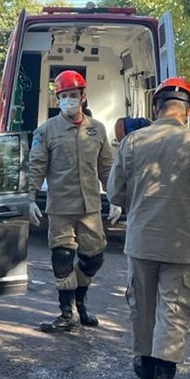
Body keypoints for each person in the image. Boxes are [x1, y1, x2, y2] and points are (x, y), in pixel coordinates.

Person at [106, 76, 190, 379]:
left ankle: (145, 372)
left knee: (142, 312)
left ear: (155, 107)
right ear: (188, 110)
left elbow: (115, 194)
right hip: (181, 245)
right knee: (173, 315)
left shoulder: (132, 142)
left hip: (141, 241)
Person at [27, 70, 121, 333]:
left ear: (83, 96)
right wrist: (30, 197)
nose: (69, 100)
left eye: (73, 95)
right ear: (58, 99)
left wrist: (115, 198)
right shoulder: (46, 131)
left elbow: (107, 168)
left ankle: (81, 302)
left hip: (90, 207)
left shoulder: (97, 130)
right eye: (64, 96)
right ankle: (66, 311)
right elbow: (36, 166)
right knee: (62, 255)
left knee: (93, 258)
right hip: (60, 207)